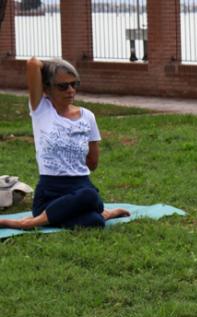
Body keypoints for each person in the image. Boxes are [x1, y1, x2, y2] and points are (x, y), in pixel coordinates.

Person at [0, 57, 129, 230]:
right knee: (92, 212)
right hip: (49, 193)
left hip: (81, 188)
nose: (70, 90)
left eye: (74, 84)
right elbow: (32, 63)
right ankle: (29, 222)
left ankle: (34, 221)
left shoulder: (88, 117)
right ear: (46, 88)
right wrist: (54, 67)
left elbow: (93, 164)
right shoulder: (41, 110)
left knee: (93, 214)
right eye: (62, 86)